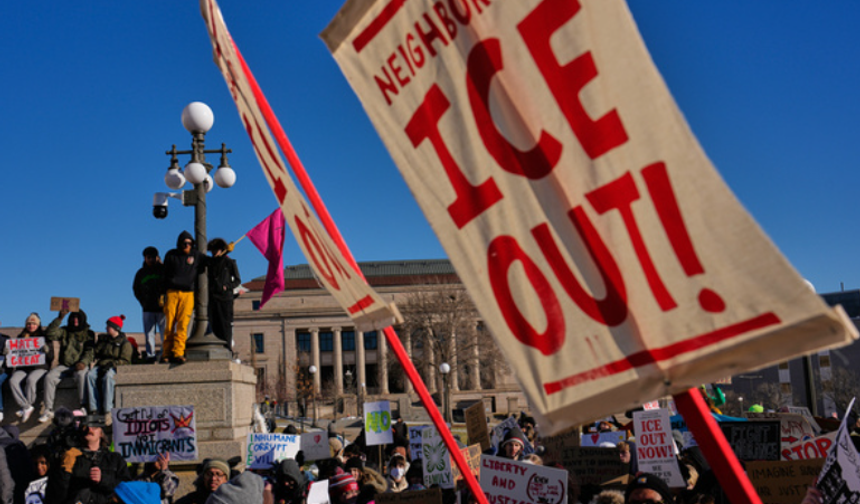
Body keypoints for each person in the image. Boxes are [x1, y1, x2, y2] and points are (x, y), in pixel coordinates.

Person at [45, 414, 131, 504]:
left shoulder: (114, 459)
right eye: (86, 427)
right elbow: (54, 496)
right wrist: (64, 470)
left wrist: (103, 479)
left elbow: (127, 488)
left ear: (101, 433)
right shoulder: (69, 456)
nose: (89, 429)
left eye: (94, 427)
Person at [40, 310, 94, 423]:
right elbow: (50, 334)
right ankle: (48, 409)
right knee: (49, 377)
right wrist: (59, 318)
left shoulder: (89, 333)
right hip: (65, 365)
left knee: (82, 376)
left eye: (78, 318)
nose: (75, 320)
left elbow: (90, 352)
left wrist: (83, 363)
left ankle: (83, 406)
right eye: (73, 318)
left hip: (80, 365)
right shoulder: (64, 331)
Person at [162, 231, 204, 364]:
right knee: (169, 324)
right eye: (185, 243)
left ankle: (178, 352)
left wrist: (223, 252)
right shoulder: (171, 255)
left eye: (190, 243)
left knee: (182, 324)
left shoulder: (196, 255)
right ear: (180, 244)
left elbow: (211, 261)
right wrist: (162, 294)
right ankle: (166, 353)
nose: (187, 246)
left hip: (188, 294)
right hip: (172, 292)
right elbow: (163, 275)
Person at [86, 315, 133, 416]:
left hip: (115, 367)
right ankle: (93, 407)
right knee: (90, 375)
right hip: (101, 365)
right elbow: (96, 353)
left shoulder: (125, 343)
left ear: (115, 328)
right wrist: (98, 344)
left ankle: (108, 408)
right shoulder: (105, 341)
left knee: (108, 378)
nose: (106, 328)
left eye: (109, 326)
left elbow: (125, 360)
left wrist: (112, 364)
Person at [8, 313, 51, 423]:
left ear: (38, 325)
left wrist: (47, 351)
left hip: (39, 367)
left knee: (31, 380)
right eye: (29, 324)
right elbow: (14, 356)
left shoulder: (45, 337)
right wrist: (8, 352)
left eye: (33, 324)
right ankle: (26, 406)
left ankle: (29, 405)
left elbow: (52, 357)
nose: (31, 326)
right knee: (13, 380)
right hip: (23, 368)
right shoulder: (20, 337)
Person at [133, 246, 166, 362]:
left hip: (162, 308)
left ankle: (164, 353)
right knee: (148, 334)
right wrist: (143, 301)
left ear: (157, 257)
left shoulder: (164, 270)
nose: (151, 259)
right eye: (148, 257)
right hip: (147, 308)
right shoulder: (141, 273)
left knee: (164, 332)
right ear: (145, 258)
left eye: (153, 257)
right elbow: (136, 289)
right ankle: (150, 354)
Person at [207, 238, 241, 350]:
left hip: (225, 298)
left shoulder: (229, 263)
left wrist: (227, 287)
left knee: (225, 325)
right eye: (212, 250)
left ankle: (227, 349)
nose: (213, 252)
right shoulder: (209, 262)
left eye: (215, 250)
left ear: (221, 249)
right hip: (212, 298)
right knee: (214, 324)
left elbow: (237, 280)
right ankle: (218, 347)